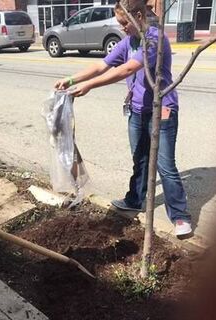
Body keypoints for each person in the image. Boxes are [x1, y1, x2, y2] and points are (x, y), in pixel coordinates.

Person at [54, 0, 192, 237]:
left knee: (165, 166)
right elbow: (102, 65)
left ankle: (180, 217)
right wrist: (72, 79)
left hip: (163, 111)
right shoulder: (130, 41)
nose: (122, 27)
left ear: (138, 15)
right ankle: (135, 200)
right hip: (137, 110)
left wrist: (89, 86)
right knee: (139, 159)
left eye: (124, 22)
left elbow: (126, 70)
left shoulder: (153, 39)